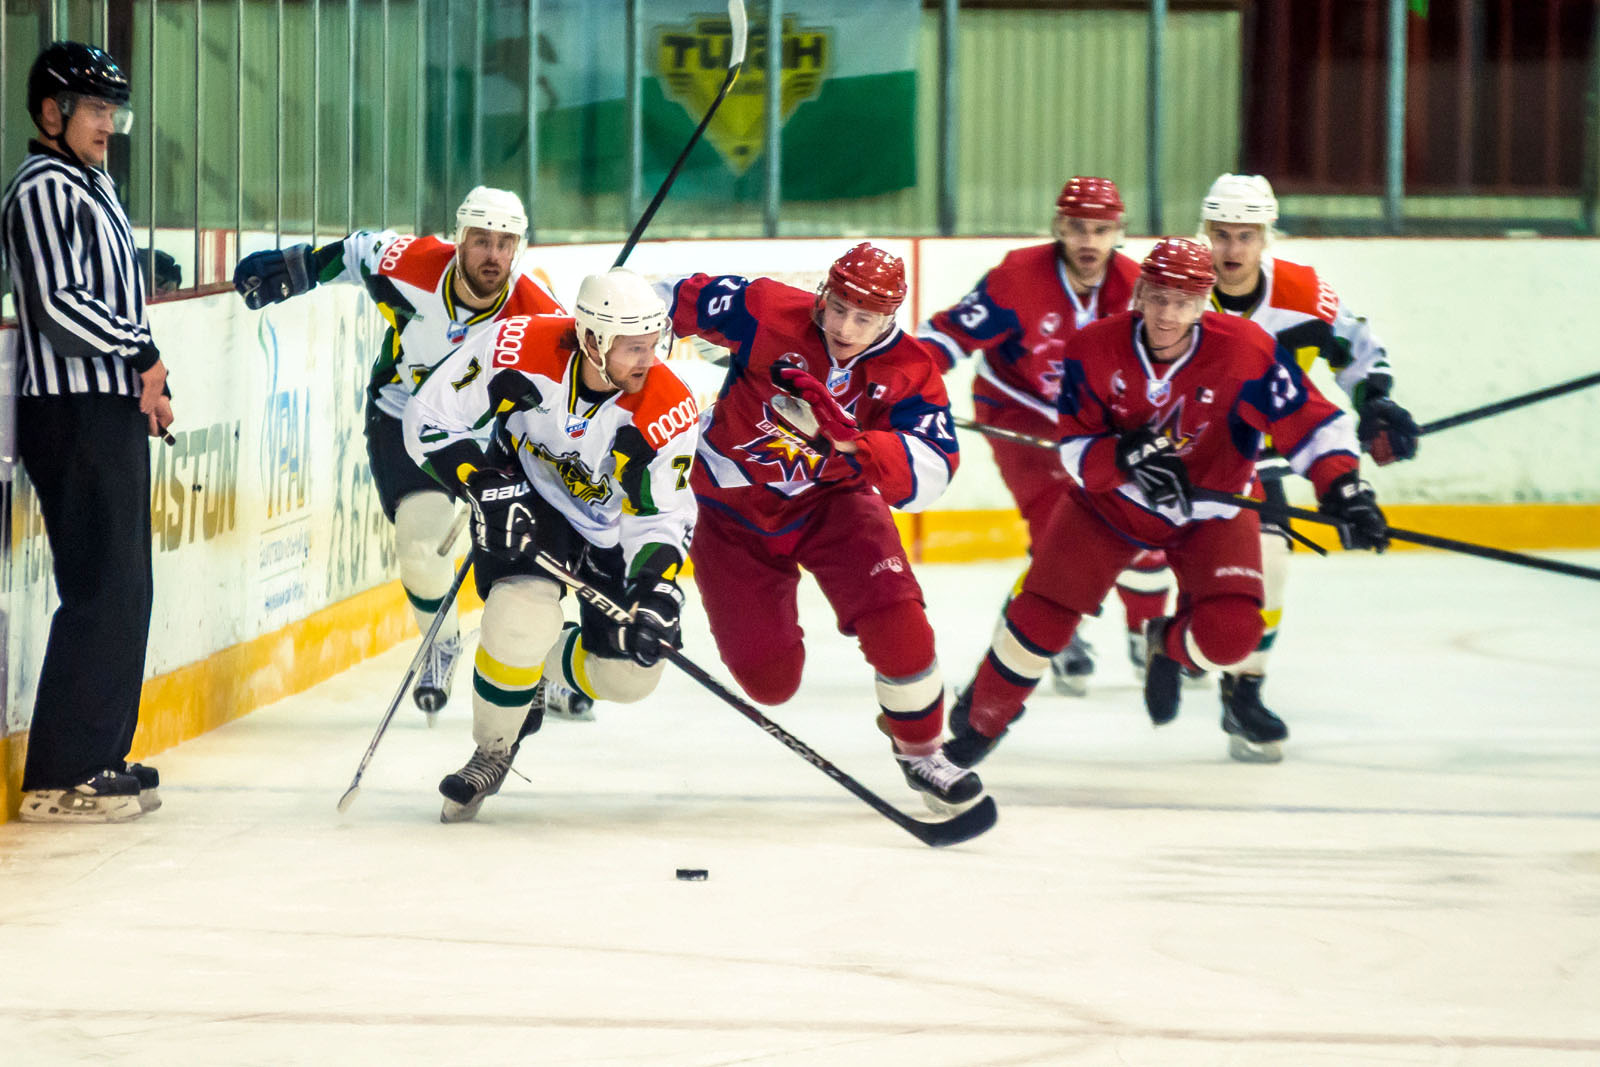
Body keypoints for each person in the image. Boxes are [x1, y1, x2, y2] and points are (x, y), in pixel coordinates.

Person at [941, 238, 1389, 771]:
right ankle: (982, 722)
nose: (1168, 314)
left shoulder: (1246, 351)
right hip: (1109, 508)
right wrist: (1126, 453)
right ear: (1139, 294)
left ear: (1204, 303)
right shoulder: (1092, 347)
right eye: (1158, 297)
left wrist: (1344, 488)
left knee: (1233, 635)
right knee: (1041, 622)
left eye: (1183, 301)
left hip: (1213, 513)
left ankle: (1168, 648)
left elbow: (1311, 423)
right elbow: (1078, 453)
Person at [232, 186, 591, 724]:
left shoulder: (538, 315)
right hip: (404, 415)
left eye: (505, 243)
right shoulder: (411, 266)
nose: (493, 255)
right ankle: (441, 643)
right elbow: (354, 253)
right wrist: (299, 268)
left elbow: (569, 394)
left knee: (525, 569)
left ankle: (539, 669)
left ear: (519, 248)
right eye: (481, 240)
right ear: (459, 239)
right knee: (419, 544)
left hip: (490, 437)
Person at [665, 243, 982, 813]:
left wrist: (855, 443)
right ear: (823, 294)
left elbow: (931, 475)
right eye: (837, 307)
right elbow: (671, 299)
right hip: (731, 511)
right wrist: (619, 332)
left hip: (835, 506)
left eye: (864, 318)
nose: (844, 326)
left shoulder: (909, 371)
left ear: (890, 318)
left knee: (900, 629)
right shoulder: (766, 310)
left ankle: (921, 752)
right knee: (770, 682)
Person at [403, 269, 698, 821]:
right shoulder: (517, 345)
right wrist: (478, 482)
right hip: (525, 498)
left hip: (611, 535)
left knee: (628, 677)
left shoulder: (666, 407)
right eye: (633, 348)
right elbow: (431, 416)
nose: (647, 361)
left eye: (652, 346)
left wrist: (657, 592)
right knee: (520, 618)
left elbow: (660, 518)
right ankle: (492, 750)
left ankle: (550, 664)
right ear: (592, 340)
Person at [1196, 173, 1419, 760]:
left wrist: (1376, 406)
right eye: (1221, 235)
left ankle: (1244, 688)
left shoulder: (1303, 293)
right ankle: (1171, 641)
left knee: (1271, 564)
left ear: (1267, 236)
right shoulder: (1178, 290)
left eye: (1246, 235)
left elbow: (1359, 349)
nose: (1232, 251)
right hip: (1185, 457)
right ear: (1205, 235)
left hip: (1264, 454)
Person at [2, 42, 170, 821]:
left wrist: (150, 382)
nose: (109, 124)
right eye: (95, 109)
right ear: (50, 113)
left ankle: (99, 754)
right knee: (99, 582)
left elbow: (118, 304)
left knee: (126, 583)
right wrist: (139, 351)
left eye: (112, 110)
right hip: (67, 412)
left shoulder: (92, 184)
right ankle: (58, 774)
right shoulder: (41, 188)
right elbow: (56, 306)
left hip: (108, 407)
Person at [919, 175, 1159, 696]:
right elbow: (949, 335)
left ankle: (1150, 631)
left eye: (1101, 229)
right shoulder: (1018, 278)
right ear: (1057, 227)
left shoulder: (1139, 289)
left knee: (1145, 518)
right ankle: (1057, 628)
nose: (1089, 242)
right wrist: (896, 381)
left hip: (1097, 422)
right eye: (1077, 228)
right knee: (1060, 520)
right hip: (1016, 408)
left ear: (1120, 232)